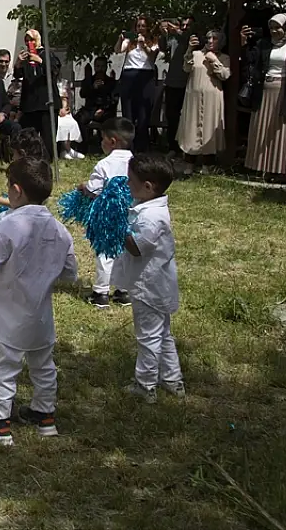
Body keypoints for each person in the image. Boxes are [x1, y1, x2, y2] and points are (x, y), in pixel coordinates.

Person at [0, 157, 77, 446]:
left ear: (15, 190)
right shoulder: (58, 229)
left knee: (4, 368)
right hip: (41, 313)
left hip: (9, 310)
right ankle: (44, 415)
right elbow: (70, 271)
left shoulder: (6, 226)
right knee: (44, 366)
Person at [115, 154, 183, 403]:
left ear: (147, 187)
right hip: (155, 283)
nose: (127, 184)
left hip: (149, 286)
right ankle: (173, 380)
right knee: (163, 334)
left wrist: (116, 225)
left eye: (130, 180)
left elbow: (136, 247)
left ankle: (145, 386)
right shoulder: (149, 206)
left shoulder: (151, 217)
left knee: (148, 337)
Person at [242, 13, 286, 181]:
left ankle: (281, 171)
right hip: (265, 90)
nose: (274, 31)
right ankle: (260, 168)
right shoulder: (264, 44)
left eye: (278, 27)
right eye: (271, 27)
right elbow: (250, 60)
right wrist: (244, 43)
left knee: (282, 130)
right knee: (262, 127)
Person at [81, 117, 135, 309]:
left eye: (102, 138)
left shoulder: (104, 165)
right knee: (125, 252)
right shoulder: (136, 162)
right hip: (131, 215)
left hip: (108, 216)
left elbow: (93, 191)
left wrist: (83, 189)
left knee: (105, 252)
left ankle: (101, 292)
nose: (100, 142)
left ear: (112, 141)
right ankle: (123, 290)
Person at [178, 30, 230, 176]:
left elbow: (225, 75)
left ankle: (208, 164)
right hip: (193, 97)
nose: (211, 41)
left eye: (215, 38)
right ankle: (189, 163)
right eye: (208, 38)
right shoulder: (196, 55)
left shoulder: (224, 57)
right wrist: (189, 50)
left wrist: (213, 60)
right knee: (191, 127)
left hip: (212, 98)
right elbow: (186, 68)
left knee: (209, 127)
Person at [117, 17, 161, 152]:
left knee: (143, 114)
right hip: (129, 76)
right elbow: (118, 50)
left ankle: (142, 146)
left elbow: (152, 57)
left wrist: (144, 46)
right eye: (138, 26)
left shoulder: (153, 41)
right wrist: (120, 39)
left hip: (145, 77)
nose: (140, 28)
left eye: (143, 26)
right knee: (128, 113)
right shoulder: (129, 41)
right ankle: (128, 146)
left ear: (147, 28)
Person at [13, 30, 61, 154]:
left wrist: (40, 61)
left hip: (46, 101)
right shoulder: (25, 56)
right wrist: (18, 63)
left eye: (32, 40)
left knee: (47, 136)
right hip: (30, 102)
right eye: (27, 40)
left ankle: (46, 161)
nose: (30, 43)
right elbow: (18, 75)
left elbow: (54, 71)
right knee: (28, 136)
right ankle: (28, 158)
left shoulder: (47, 53)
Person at [159, 18, 193, 153]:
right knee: (171, 116)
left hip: (188, 83)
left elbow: (186, 39)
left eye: (187, 25)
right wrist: (163, 33)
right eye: (182, 25)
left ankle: (186, 148)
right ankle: (172, 147)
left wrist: (177, 30)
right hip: (172, 82)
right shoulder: (173, 38)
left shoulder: (192, 39)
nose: (184, 28)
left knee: (187, 117)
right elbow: (162, 47)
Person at [77, 57, 118, 154]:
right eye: (98, 66)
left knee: (109, 122)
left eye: (103, 66)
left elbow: (114, 99)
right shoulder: (89, 80)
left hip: (106, 110)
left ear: (106, 67)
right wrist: (93, 87)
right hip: (90, 109)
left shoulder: (111, 82)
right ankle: (84, 148)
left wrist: (103, 109)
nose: (100, 69)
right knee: (79, 119)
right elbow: (82, 94)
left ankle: (106, 148)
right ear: (94, 67)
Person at [56, 90, 84, 160]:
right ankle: (65, 150)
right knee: (61, 125)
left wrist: (63, 109)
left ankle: (67, 149)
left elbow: (64, 98)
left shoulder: (64, 83)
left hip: (63, 111)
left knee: (71, 123)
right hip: (53, 111)